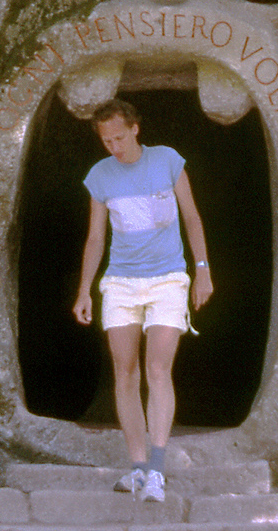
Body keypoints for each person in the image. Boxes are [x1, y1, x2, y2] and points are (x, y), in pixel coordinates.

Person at [72, 98, 213, 503]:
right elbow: (96, 237)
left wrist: (202, 270)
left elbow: (192, 217)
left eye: (119, 136)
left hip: (168, 278)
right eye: (106, 140)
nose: (113, 146)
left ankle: (156, 469)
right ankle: (136, 468)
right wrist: (85, 289)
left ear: (135, 128)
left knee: (157, 367)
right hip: (120, 283)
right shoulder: (99, 176)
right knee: (126, 372)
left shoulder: (167, 161)